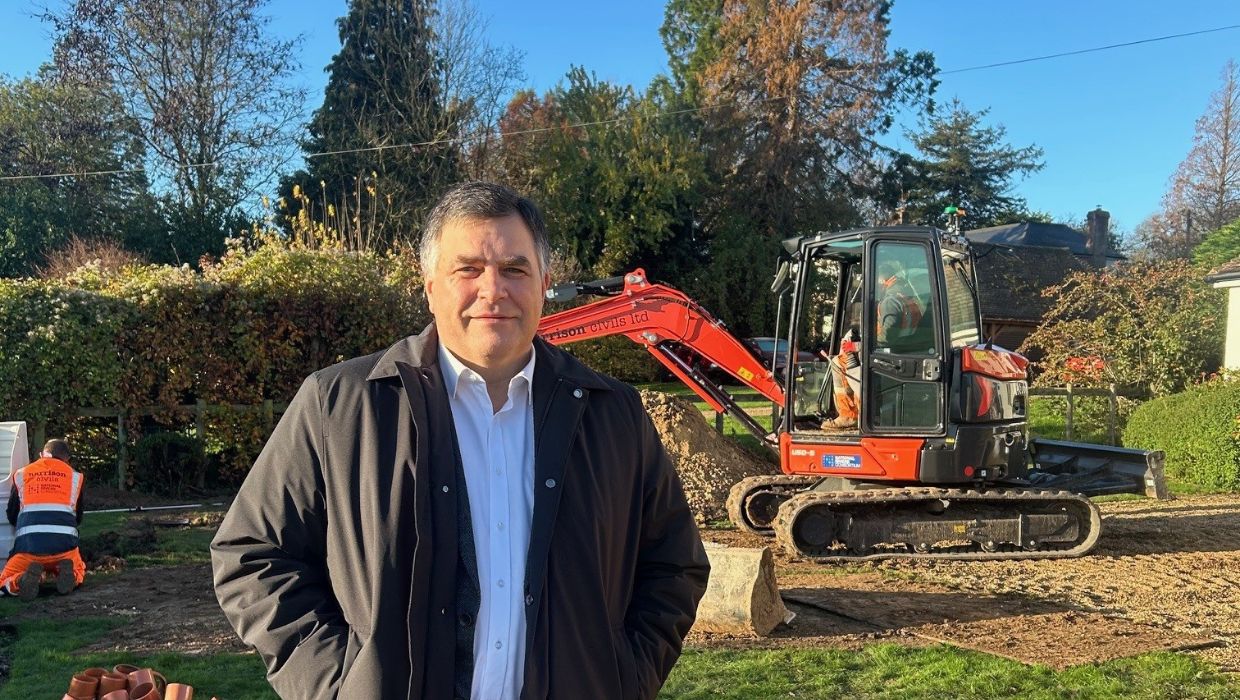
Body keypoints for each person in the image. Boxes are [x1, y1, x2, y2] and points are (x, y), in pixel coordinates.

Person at [211, 182, 710, 700]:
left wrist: (625, 679)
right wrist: (338, 686)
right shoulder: (338, 405)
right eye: (468, 269)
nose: (493, 290)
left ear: (544, 284)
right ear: (430, 286)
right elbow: (253, 554)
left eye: (515, 269)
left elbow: (674, 564)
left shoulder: (614, 414)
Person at [1, 439, 86, 600]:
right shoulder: (75, 477)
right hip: (64, 548)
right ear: (67, 459)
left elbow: (12, 515)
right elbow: (78, 518)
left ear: (42, 455)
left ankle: (20, 580)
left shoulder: (22, 474)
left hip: (29, 549)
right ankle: (71, 576)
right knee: (78, 569)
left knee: (4, 579)